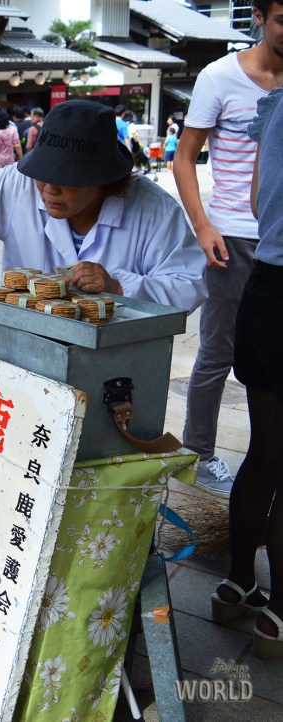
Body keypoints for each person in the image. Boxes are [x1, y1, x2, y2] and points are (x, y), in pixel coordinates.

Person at [0, 100, 206, 314]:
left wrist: (120, 286)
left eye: (66, 179)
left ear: (103, 179)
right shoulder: (20, 184)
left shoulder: (154, 210)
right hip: (24, 349)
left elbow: (190, 284)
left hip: (114, 364)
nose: (49, 190)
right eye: (43, 175)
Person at [174, 0, 283, 497]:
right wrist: (203, 226)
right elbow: (184, 157)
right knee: (217, 351)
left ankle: (268, 459)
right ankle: (199, 453)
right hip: (234, 237)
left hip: (279, 240)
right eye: (282, 19)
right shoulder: (219, 77)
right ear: (258, 16)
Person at [213, 82, 283, 655]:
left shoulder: (277, 105)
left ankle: (237, 583)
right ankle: (279, 617)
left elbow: (260, 204)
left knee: (266, 452)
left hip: (267, 284)